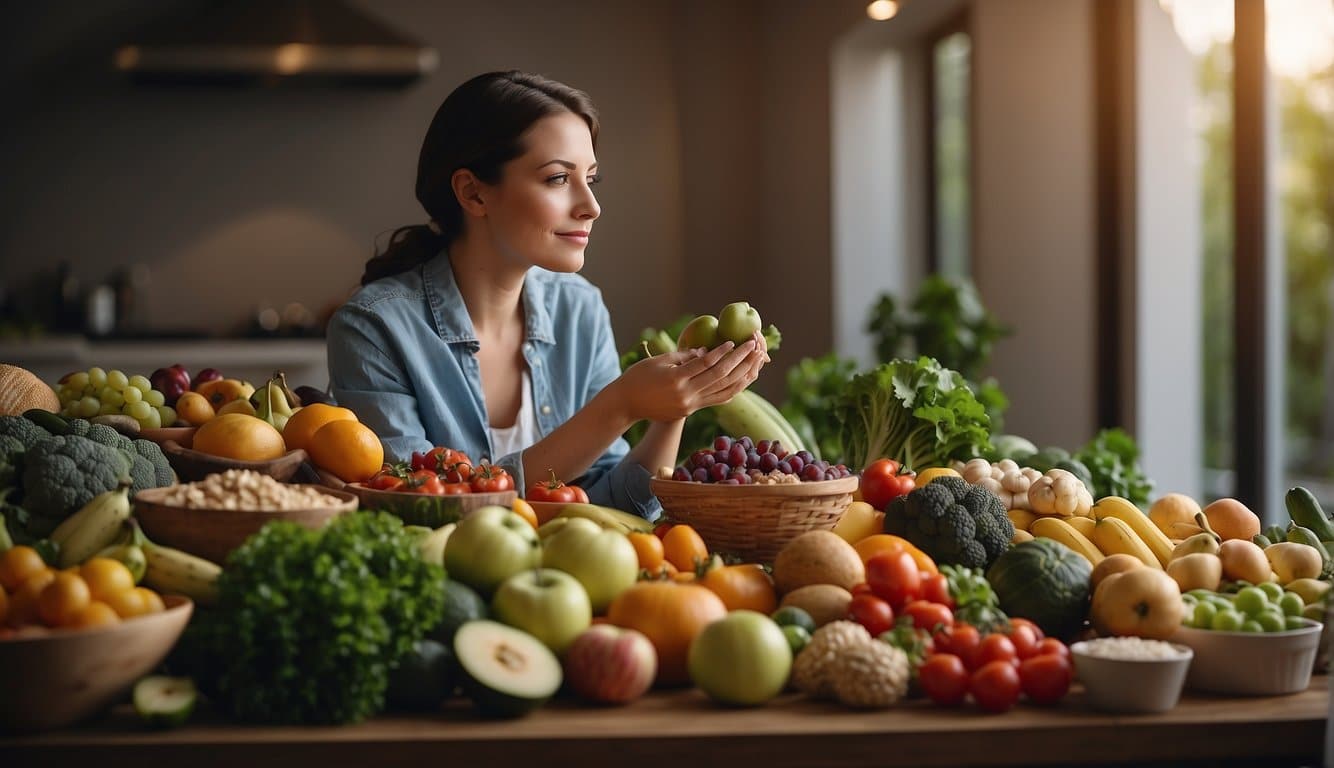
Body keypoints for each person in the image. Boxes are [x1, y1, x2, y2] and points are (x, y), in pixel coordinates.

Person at [326, 70, 768, 519]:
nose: (591, 207)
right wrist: (619, 405)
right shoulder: (373, 327)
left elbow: (614, 504)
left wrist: (676, 406)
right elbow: (418, 508)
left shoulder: (579, 308)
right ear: (473, 192)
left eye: (590, 179)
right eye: (558, 178)